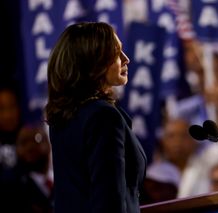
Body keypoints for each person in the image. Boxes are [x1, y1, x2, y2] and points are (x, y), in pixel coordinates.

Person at [45, 22, 147, 213]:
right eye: (116, 53)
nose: (126, 59)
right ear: (93, 61)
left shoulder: (65, 114)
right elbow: (109, 201)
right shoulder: (104, 117)